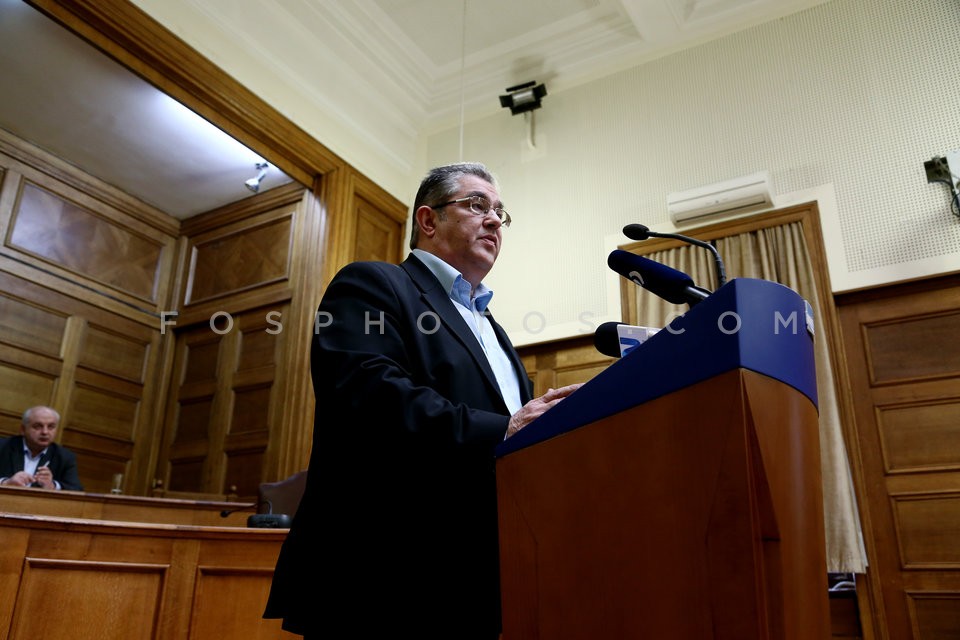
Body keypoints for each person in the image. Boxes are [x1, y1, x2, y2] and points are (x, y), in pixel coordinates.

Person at [264, 162, 581, 638]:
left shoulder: (493, 329)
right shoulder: (374, 283)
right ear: (429, 220)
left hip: (478, 577)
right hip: (384, 576)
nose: (494, 220)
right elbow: (370, 396)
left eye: (500, 212)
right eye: (477, 205)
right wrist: (505, 428)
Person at [0, 405, 83, 491]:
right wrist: (5, 483)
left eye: (51, 427)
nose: (45, 432)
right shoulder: (2, 447)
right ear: (23, 429)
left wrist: (52, 486)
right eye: (38, 426)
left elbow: (76, 490)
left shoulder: (64, 457)